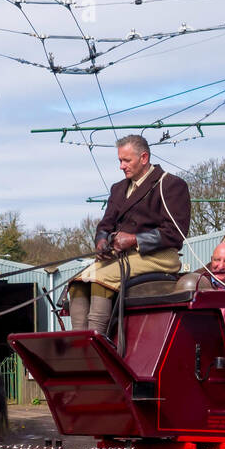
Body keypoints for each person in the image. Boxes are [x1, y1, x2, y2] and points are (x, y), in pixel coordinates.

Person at [68, 134, 191, 335]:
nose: (121, 166)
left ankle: (96, 344)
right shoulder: (118, 189)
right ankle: (78, 343)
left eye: (126, 160)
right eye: (120, 161)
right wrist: (101, 241)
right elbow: (104, 225)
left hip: (158, 257)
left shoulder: (170, 185)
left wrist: (133, 239)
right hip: (122, 258)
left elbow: (176, 233)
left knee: (99, 278)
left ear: (143, 158)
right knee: (78, 281)